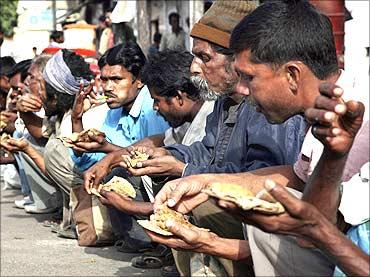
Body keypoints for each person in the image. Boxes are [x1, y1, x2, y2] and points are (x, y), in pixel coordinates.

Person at [152, 1, 369, 276]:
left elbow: (313, 233)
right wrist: (205, 182)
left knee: (266, 208)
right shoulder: (319, 115)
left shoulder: (354, 117)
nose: (242, 88)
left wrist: (211, 242)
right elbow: (300, 178)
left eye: (249, 77)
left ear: (292, 75)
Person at [118, 1, 306, 276]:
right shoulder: (223, 101)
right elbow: (208, 152)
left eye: (204, 58)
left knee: (204, 203)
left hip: (266, 215)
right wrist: (172, 158)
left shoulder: (266, 104)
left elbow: (261, 179)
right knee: (179, 193)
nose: (194, 68)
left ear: (237, 60)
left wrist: (188, 173)